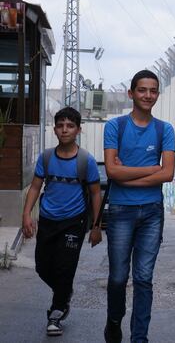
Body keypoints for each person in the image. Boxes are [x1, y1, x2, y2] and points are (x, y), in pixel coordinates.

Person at [103, 70, 175, 343]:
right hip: (121, 211)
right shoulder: (115, 126)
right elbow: (111, 171)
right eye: (142, 90)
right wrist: (150, 171)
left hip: (152, 212)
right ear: (131, 93)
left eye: (153, 90)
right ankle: (113, 321)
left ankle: (139, 338)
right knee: (119, 277)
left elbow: (167, 174)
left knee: (144, 279)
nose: (148, 95)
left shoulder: (163, 129)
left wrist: (127, 176)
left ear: (157, 94)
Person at [21, 106, 103, 336]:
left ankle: (56, 313)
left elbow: (96, 193)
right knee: (42, 266)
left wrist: (96, 227)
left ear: (78, 130)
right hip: (48, 220)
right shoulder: (46, 157)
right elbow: (36, 186)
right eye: (60, 125)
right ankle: (64, 292)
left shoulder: (86, 160)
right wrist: (27, 214)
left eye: (70, 126)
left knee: (65, 268)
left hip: (73, 223)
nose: (64, 130)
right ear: (55, 129)